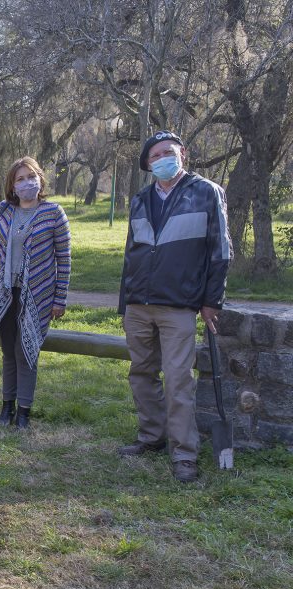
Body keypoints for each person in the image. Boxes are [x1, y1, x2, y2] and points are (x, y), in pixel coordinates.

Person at [116, 131, 231, 482]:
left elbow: (220, 251)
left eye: (168, 152)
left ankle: (184, 454)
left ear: (183, 153)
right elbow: (131, 253)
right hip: (139, 303)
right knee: (141, 373)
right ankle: (152, 437)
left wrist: (211, 301)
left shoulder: (206, 192)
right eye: (155, 156)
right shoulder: (140, 199)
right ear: (148, 164)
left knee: (178, 380)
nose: (163, 159)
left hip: (179, 305)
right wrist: (125, 302)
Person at [0, 157, 71, 429]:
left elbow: (64, 259)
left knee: (26, 351)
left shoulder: (53, 213)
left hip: (37, 296)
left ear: (40, 179)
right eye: (20, 179)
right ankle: (7, 407)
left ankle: (24, 412)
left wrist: (59, 299)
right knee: (8, 351)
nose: (27, 182)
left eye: (31, 177)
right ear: (12, 185)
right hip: (4, 291)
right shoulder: (4, 210)